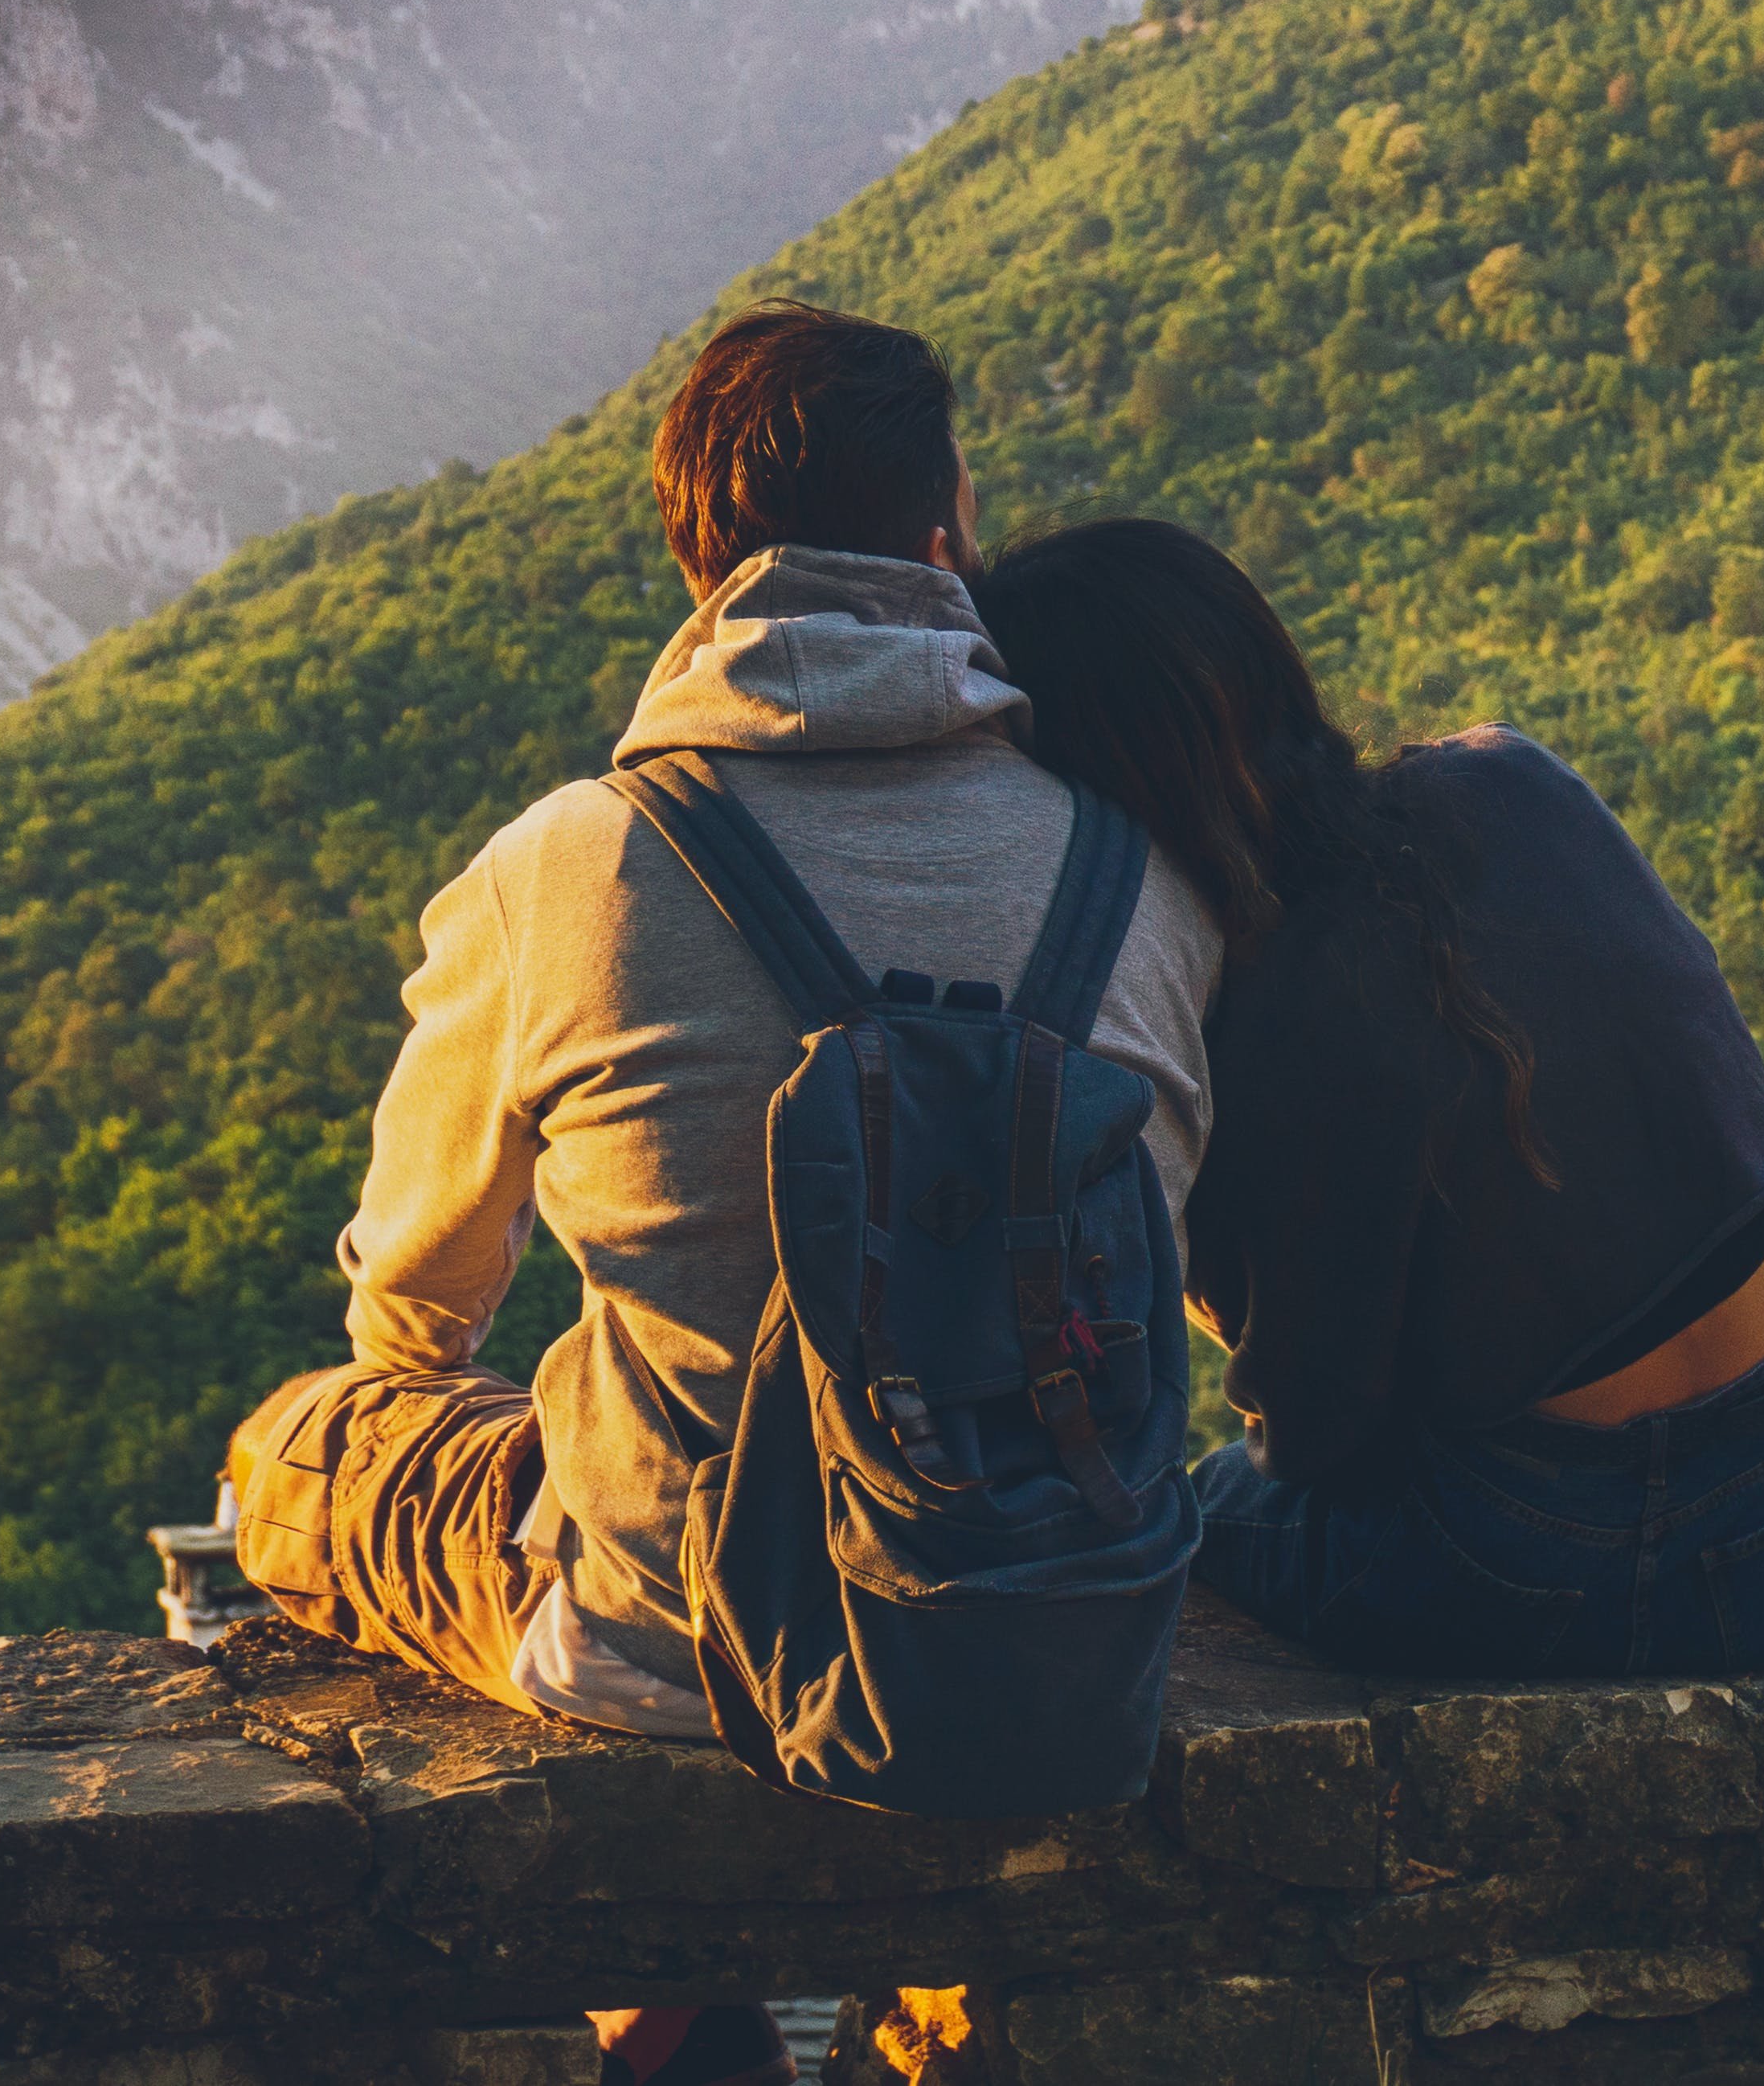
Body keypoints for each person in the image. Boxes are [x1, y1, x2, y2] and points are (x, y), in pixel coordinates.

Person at [218, 306, 1222, 2086]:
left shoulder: (567, 864)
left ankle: (668, 2028)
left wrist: (442, 1356)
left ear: (697, 565)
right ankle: (865, 2020)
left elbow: (418, 1293)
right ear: (948, 538)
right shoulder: (1132, 870)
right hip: (1046, 1616)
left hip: (663, 1640)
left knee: (299, 1443)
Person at [972, 517, 1764, 1678]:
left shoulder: (1270, 1010)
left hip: (1533, 1559)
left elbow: (1315, 1437)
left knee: (1185, 1510)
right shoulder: (1509, 779)